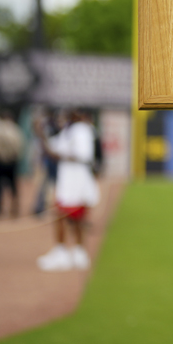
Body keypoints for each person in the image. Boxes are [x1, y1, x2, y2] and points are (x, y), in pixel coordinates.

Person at [34, 108, 100, 271]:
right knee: (72, 216)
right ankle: (76, 252)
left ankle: (66, 252)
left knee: (64, 215)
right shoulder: (69, 130)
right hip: (69, 179)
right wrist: (40, 134)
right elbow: (52, 149)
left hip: (75, 180)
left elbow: (82, 155)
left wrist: (61, 154)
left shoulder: (82, 130)